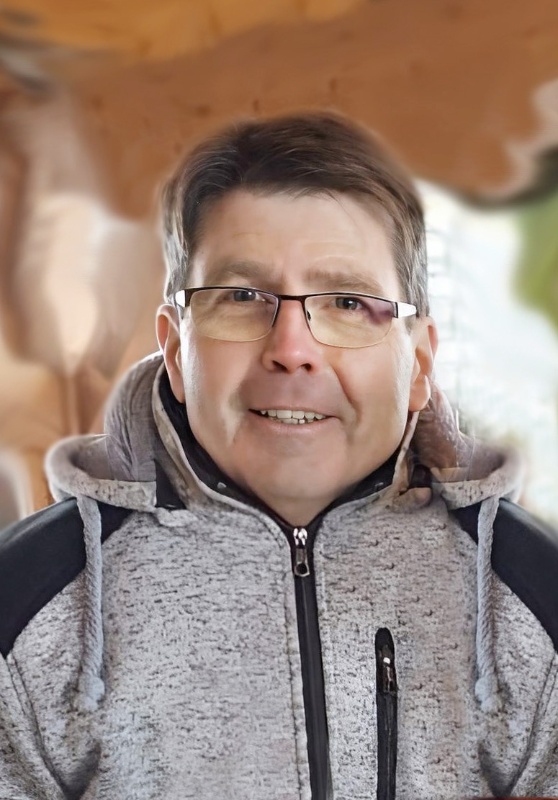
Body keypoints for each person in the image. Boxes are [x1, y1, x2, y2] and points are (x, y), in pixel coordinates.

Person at [1, 112, 557, 800]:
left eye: (348, 302)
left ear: (418, 364)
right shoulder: (22, 603)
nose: (292, 349)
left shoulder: (534, 597)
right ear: (174, 350)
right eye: (241, 296)